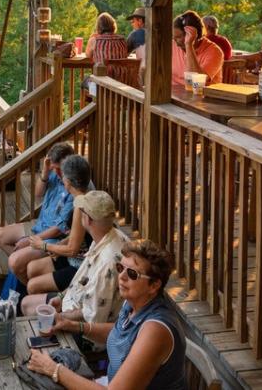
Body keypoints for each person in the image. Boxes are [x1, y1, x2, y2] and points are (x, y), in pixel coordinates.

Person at [26, 239, 187, 390]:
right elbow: (119, 332)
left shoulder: (155, 330)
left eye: (132, 274)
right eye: (120, 268)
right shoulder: (134, 304)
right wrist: (74, 326)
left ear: (154, 285)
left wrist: (54, 370)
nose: (122, 276)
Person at [20, 191, 127, 336]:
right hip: (77, 303)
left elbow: (93, 317)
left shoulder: (106, 263)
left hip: (88, 333)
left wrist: (61, 317)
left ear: (87, 219)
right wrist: (61, 297)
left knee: (30, 310)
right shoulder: (109, 235)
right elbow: (83, 279)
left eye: (81, 211)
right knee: (27, 303)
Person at [0, 143, 76, 280]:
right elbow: (38, 193)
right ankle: (23, 274)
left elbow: (58, 229)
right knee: (0, 235)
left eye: (59, 168)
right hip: (40, 225)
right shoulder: (55, 174)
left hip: (54, 237)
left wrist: (30, 241)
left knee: (14, 260)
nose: (58, 173)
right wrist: (45, 173)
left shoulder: (74, 184)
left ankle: (26, 277)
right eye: (55, 168)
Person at [24, 155, 93, 295]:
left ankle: (52, 306)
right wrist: (60, 244)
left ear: (67, 181)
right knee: (31, 268)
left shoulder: (81, 206)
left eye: (63, 177)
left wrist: (43, 245)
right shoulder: (82, 197)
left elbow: (72, 250)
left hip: (81, 266)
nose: (61, 179)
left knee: (32, 286)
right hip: (74, 257)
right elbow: (77, 236)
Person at [174, 10, 224, 86]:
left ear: (194, 35)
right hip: (172, 96)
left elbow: (194, 83)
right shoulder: (172, 44)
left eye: (178, 37)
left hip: (201, 96)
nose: (175, 42)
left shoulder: (215, 51)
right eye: (174, 37)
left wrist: (189, 45)